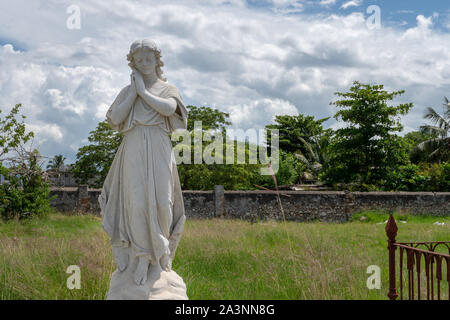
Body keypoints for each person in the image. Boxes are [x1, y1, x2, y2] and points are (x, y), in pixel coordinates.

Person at [99, 39, 188, 286]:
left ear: (157, 60)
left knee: (162, 201)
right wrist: (134, 93)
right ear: (133, 63)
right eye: (139, 60)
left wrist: (144, 93)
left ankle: (161, 254)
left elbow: (170, 110)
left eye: (148, 59)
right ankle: (141, 256)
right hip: (134, 145)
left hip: (159, 145)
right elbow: (115, 118)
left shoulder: (168, 88)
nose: (144, 63)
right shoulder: (128, 92)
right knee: (136, 203)